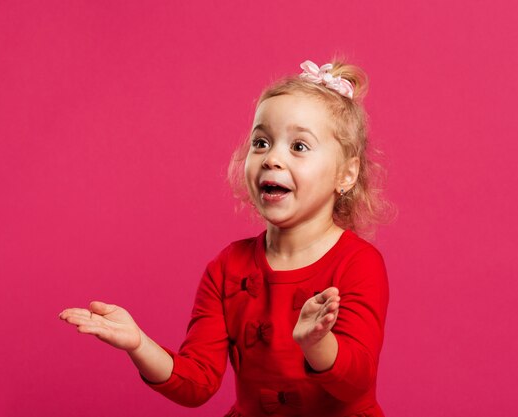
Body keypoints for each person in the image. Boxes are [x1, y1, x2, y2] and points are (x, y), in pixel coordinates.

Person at [59, 58, 394, 417]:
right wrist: (139, 345)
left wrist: (316, 343)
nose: (272, 159)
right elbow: (196, 382)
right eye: (261, 142)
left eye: (299, 147)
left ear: (346, 174)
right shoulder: (227, 267)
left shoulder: (359, 263)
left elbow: (355, 381)